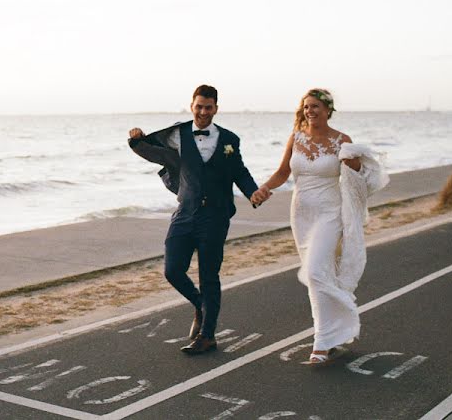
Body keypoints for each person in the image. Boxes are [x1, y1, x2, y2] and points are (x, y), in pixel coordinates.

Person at [251, 88, 388, 366]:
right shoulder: (296, 138)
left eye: (314, 106)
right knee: (318, 275)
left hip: (330, 212)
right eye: (305, 107)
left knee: (314, 273)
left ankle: (323, 340)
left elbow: (360, 177)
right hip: (301, 212)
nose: (309, 111)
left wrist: (354, 164)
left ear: (328, 110)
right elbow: (282, 173)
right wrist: (264, 188)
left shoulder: (342, 141)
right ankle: (331, 334)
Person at [129, 84, 261, 355]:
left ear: (215, 108)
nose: (203, 111)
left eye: (208, 107)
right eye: (198, 106)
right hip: (185, 213)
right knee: (172, 270)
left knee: (209, 275)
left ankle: (207, 335)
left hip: (215, 216)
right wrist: (136, 140)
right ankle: (200, 305)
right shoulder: (178, 135)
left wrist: (253, 193)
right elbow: (153, 150)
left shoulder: (229, 139)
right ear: (192, 106)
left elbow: (239, 170)